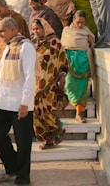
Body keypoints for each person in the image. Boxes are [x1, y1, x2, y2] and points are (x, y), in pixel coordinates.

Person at [0, 17, 36, 185]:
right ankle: (13, 167)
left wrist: (25, 102)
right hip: (3, 102)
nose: (0, 34)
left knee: (23, 142)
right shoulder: (8, 48)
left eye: (2, 31)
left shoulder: (26, 47)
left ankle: (23, 177)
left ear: (13, 29)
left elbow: (30, 77)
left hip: (20, 103)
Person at [31, 18, 67, 150]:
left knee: (43, 108)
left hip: (49, 83)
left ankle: (53, 133)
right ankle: (51, 135)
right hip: (36, 82)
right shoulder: (35, 43)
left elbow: (63, 60)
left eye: (38, 29)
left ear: (45, 27)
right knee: (36, 110)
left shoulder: (54, 42)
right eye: (34, 29)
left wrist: (62, 76)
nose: (36, 32)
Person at [61, 11, 95, 123]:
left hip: (84, 63)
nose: (80, 25)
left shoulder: (86, 31)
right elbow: (64, 45)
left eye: (83, 23)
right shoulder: (67, 31)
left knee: (82, 90)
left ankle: (79, 114)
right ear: (73, 20)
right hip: (70, 63)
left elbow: (92, 43)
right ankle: (69, 102)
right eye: (78, 22)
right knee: (69, 85)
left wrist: (91, 40)